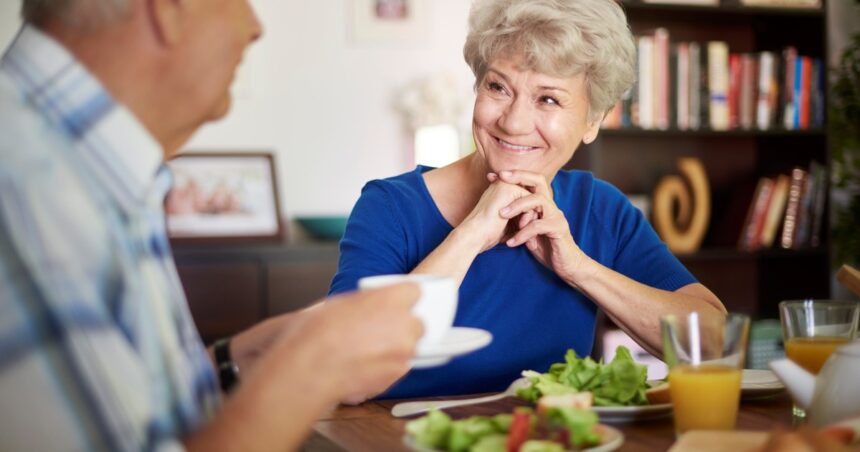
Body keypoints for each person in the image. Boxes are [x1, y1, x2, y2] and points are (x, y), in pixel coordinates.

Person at [0, 0, 423, 450]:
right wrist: (310, 366)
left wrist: (230, 362)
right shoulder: (26, 188)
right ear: (167, 8)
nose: (255, 28)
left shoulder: (79, 166)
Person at [329, 0, 727, 398]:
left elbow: (713, 343)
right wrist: (471, 234)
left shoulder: (599, 208)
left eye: (548, 99)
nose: (513, 122)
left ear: (593, 122)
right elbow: (342, 376)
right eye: (498, 87)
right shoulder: (390, 206)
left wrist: (579, 268)